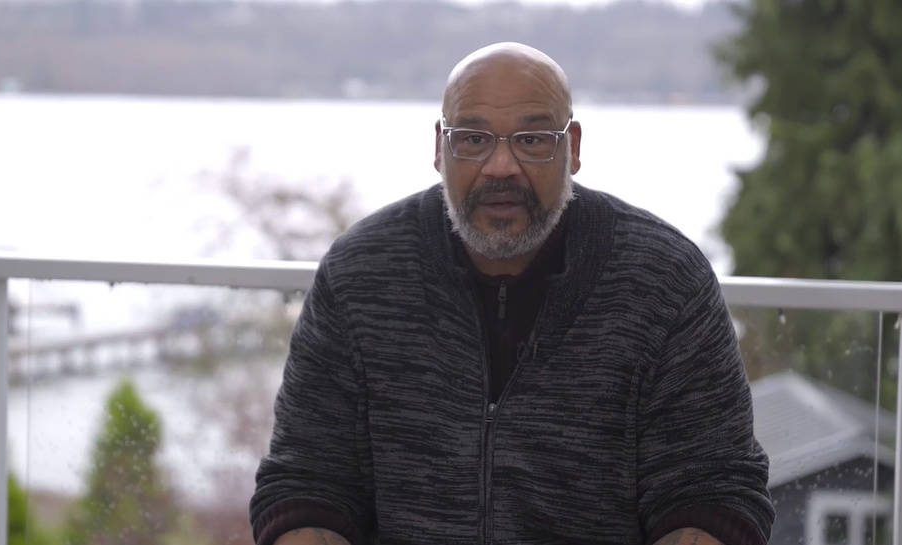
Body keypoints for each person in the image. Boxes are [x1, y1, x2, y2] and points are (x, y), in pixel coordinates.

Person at [249, 42, 774, 545]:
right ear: (440, 148)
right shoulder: (358, 274)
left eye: (531, 139)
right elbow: (307, 484)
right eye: (473, 139)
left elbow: (714, 493)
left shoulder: (665, 280)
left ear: (572, 148)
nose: (501, 167)